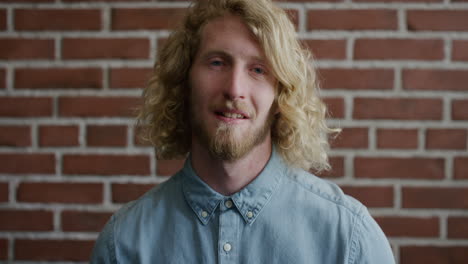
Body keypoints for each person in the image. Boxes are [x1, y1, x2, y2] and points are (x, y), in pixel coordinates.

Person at [91, 0, 395, 263]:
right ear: (184, 81)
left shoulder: (349, 238)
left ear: (281, 95)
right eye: (217, 62)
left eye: (258, 69)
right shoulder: (123, 243)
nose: (235, 89)